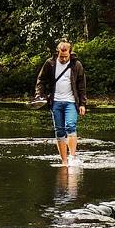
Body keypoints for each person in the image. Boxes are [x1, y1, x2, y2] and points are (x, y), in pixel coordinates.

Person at [34, 39, 86, 167]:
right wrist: (39, 95)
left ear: (70, 52)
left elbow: (82, 85)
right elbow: (41, 80)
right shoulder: (50, 64)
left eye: (65, 56)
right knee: (59, 131)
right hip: (55, 102)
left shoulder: (76, 65)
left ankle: (72, 157)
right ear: (57, 52)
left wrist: (82, 104)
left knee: (70, 126)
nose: (63, 59)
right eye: (61, 56)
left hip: (71, 102)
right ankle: (64, 162)